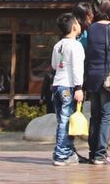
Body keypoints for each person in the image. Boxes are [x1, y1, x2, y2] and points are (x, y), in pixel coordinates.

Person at [83, 0, 110, 164]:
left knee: (95, 116)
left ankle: (93, 152)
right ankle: (100, 154)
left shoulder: (90, 29)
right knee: (107, 115)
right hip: (109, 78)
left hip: (92, 76)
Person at [49, 11, 85, 166]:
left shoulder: (58, 45)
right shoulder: (76, 45)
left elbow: (53, 66)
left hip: (57, 85)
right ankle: (61, 155)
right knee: (66, 121)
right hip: (69, 86)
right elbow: (78, 68)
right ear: (74, 26)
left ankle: (66, 152)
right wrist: (79, 88)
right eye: (77, 22)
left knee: (62, 120)